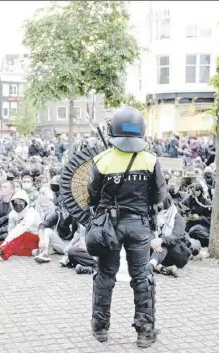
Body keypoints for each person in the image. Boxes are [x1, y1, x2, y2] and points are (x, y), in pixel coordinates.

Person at [87, 107, 166, 348]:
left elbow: (92, 196)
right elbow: (159, 196)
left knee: (105, 275)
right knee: (142, 277)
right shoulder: (150, 159)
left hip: (109, 227)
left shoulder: (102, 160)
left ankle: (100, 328)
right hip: (140, 225)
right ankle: (145, 331)